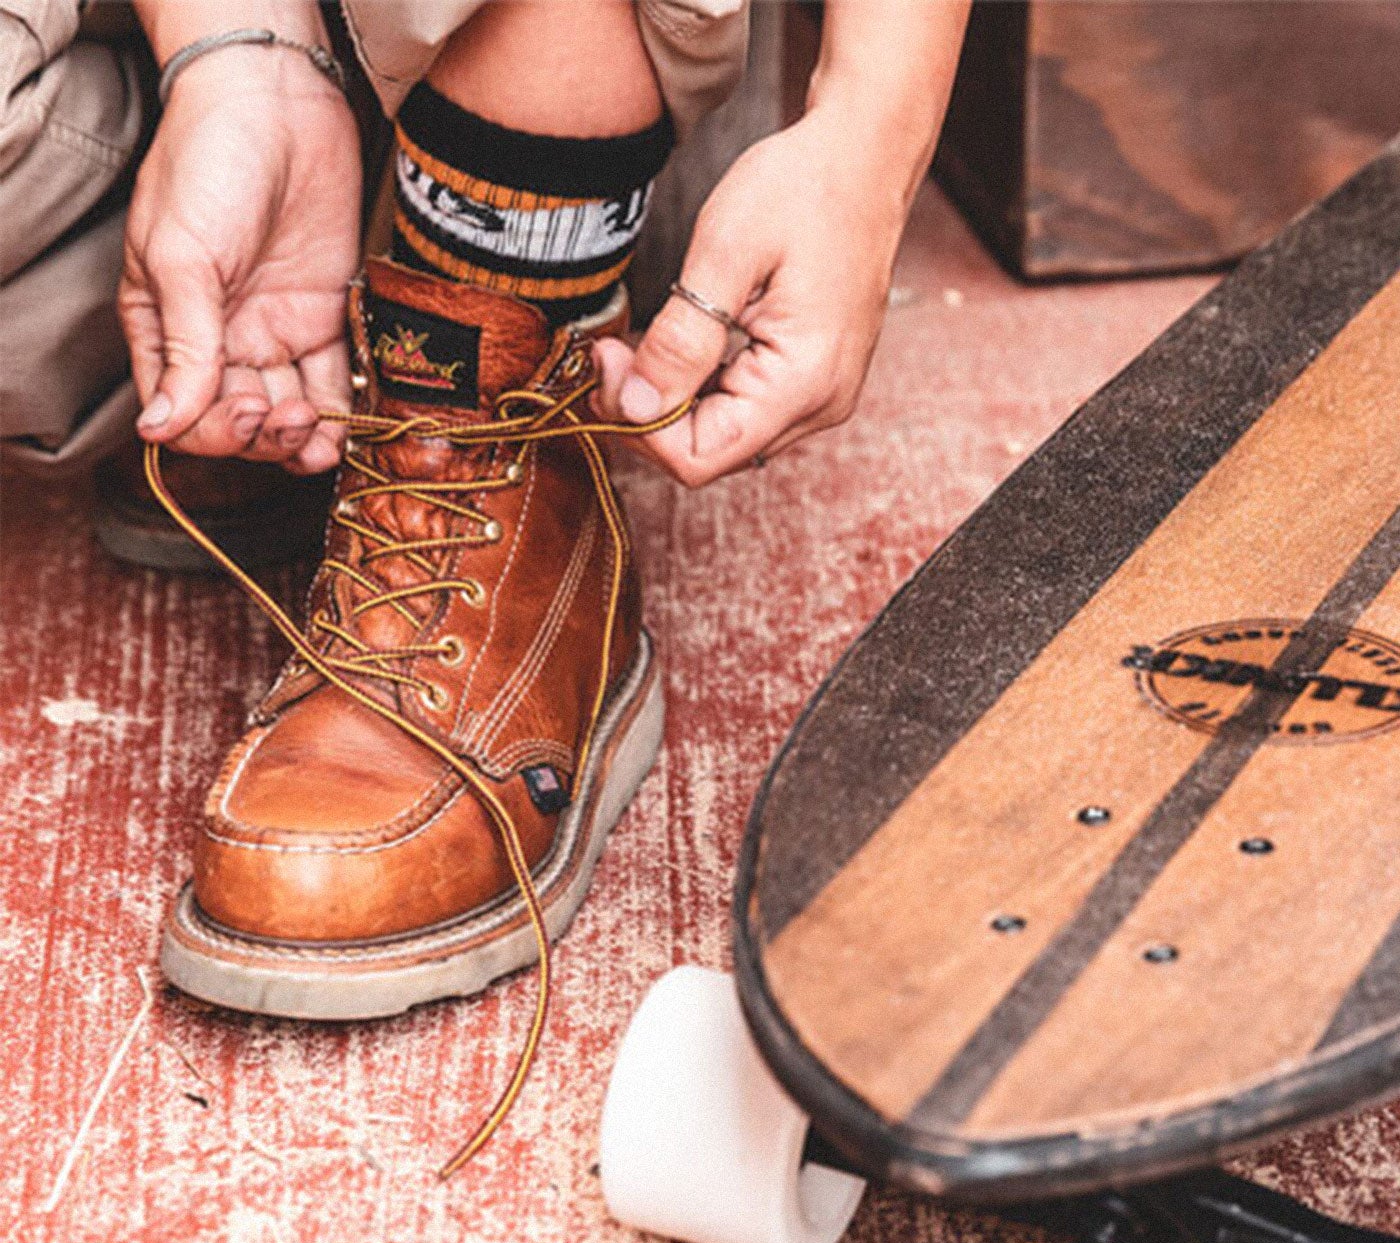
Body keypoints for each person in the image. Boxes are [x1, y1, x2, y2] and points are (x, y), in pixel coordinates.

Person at [9, 0, 969, 1141]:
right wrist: (236, 50)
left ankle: (504, 276)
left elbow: (871, 121)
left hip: (596, 90)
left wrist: (869, 130)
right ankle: (371, 219)